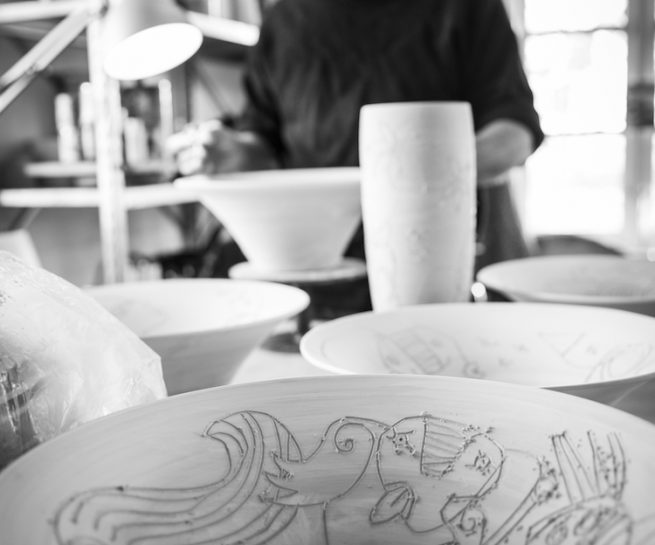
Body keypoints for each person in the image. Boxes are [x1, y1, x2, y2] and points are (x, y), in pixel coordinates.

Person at [170, 0, 544, 314]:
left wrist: (420, 174)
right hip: (313, 277)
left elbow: (515, 132)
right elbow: (263, 143)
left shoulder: (467, 6)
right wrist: (233, 153)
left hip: (433, 268)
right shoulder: (283, 20)